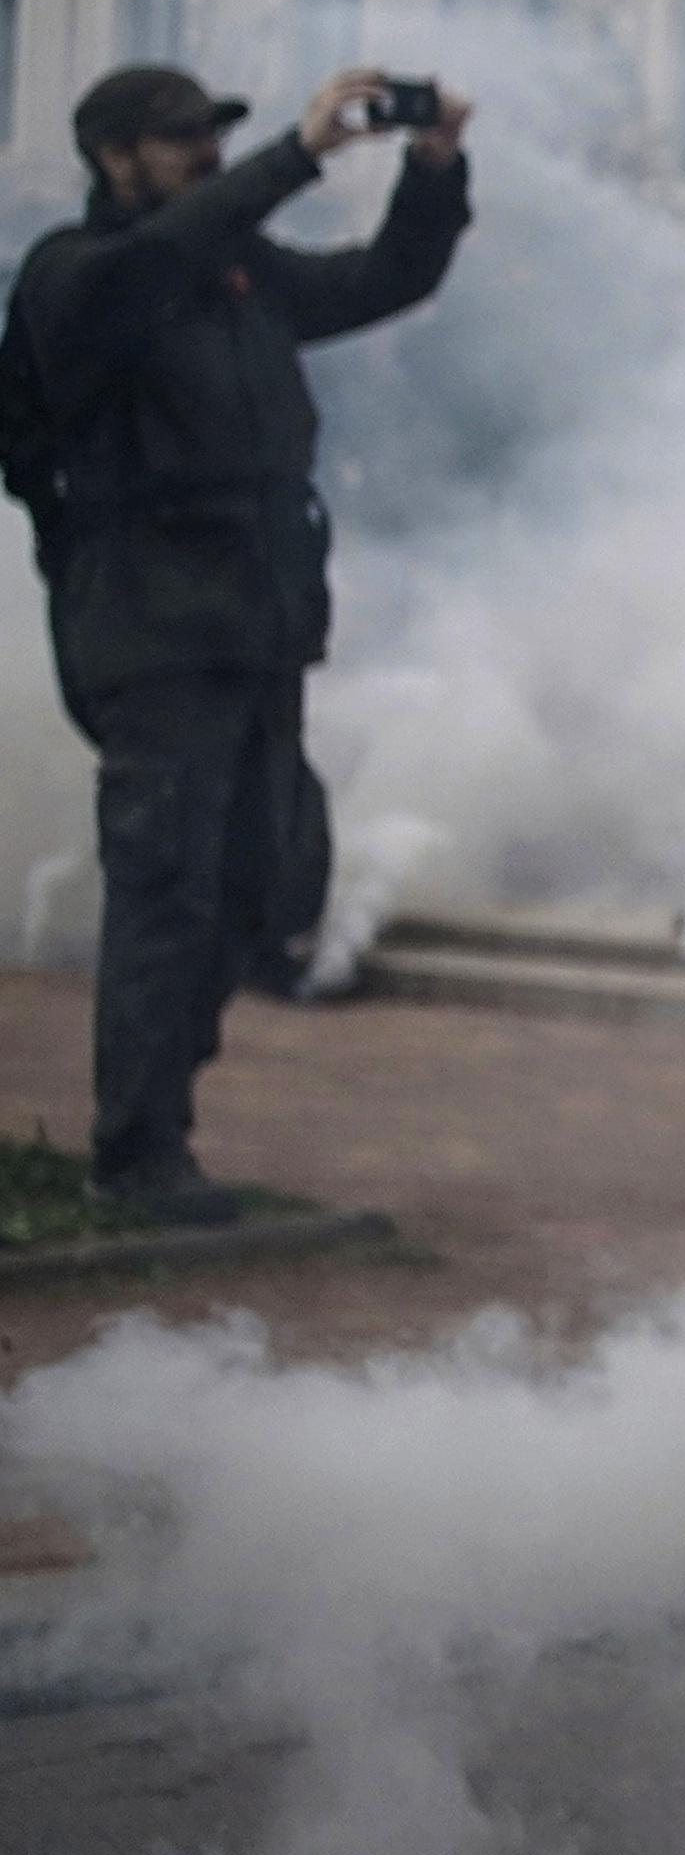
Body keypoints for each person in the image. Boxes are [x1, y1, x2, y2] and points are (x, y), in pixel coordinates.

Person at [8, 63, 469, 1220]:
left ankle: (160, 1112)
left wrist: (433, 172)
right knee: (166, 885)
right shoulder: (84, 278)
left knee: (272, 872)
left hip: (256, 626)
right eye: (176, 143)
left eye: (212, 137)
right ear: (113, 158)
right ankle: (138, 1152)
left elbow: (382, 278)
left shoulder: (231, 272)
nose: (204, 156)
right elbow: (162, 259)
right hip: (152, 630)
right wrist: (298, 154)